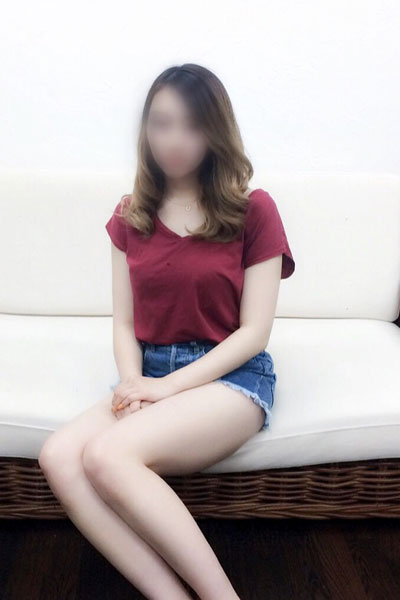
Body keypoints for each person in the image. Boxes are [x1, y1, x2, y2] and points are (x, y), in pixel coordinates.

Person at [39, 63, 295, 600]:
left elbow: (255, 333)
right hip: (152, 369)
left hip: (231, 378)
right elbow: (125, 323)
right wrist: (134, 384)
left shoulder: (254, 209)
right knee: (58, 456)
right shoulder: (130, 215)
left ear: (216, 132)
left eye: (192, 125)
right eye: (161, 123)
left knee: (106, 455)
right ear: (145, 130)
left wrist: (165, 389)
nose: (174, 140)